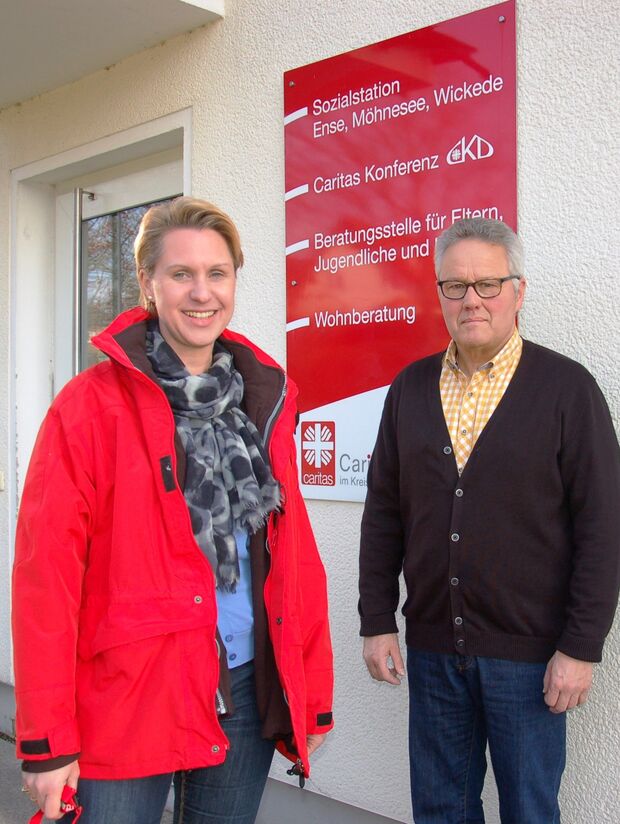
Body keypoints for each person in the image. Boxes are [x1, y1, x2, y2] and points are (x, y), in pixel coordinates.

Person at [13, 196, 334, 824]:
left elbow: (296, 560)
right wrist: (46, 742)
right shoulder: (88, 408)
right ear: (147, 284)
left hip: (240, 684)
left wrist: (310, 695)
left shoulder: (260, 403)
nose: (201, 292)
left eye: (217, 273)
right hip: (126, 696)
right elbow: (44, 581)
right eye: (181, 273)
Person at [359, 217, 620, 823]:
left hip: (529, 660)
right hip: (431, 652)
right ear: (439, 295)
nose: (471, 299)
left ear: (518, 292)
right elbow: (384, 516)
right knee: (440, 809)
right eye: (455, 286)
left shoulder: (568, 390)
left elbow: (602, 530)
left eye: (487, 283)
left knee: (530, 811)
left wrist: (580, 648)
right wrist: (377, 619)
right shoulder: (410, 389)